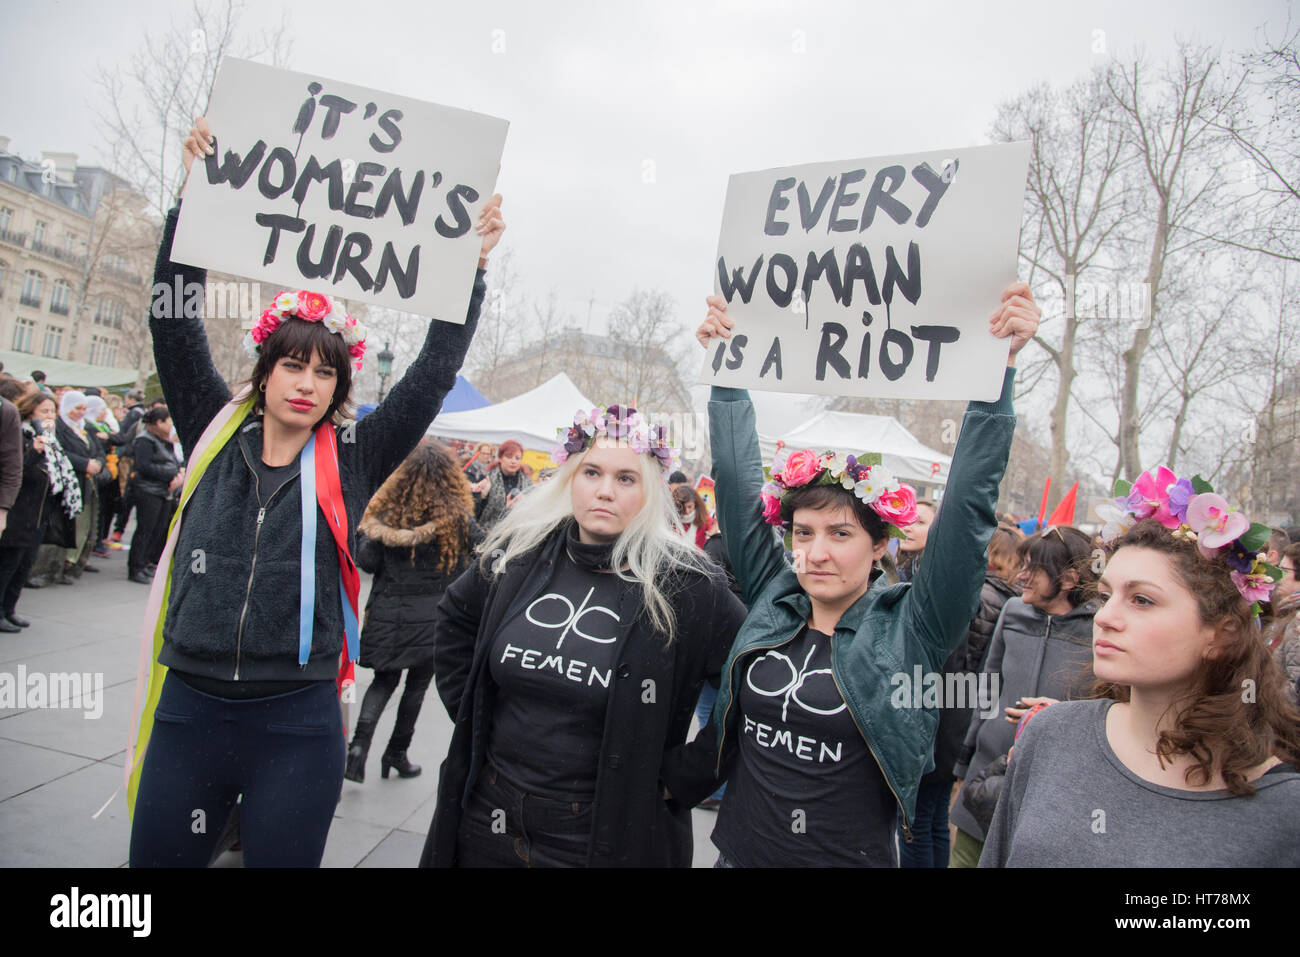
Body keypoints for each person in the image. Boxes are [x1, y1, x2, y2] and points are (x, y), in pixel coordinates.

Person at [127, 116, 503, 868]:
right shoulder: (210, 427)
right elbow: (174, 324)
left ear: (339, 383)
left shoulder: (357, 454)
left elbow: (431, 373)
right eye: (293, 366)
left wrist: (468, 267)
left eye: (325, 371)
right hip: (190, 710)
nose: (307, 383)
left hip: (297, 721)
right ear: (266, 371)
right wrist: (190, 204)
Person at [695, 281, 1038, 867]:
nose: (816, 552)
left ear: (881, 545)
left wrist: (996, 374)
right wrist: (727, 366)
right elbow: (734, 477)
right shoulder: (774, 597)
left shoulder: (915, 625)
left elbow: (967, 507)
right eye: (803, 533)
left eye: (841, 534)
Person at [420, 404, 748, 867]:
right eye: (591, 472)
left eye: (626, 479)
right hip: (487, 818)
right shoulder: (521, 553)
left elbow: (755, 676)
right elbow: (455, 616)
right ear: (570, 476)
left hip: (601, 834)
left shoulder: (687, 585)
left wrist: (691, 774)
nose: (605, 492)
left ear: (650, 491)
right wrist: (472, 711)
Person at [981, 476, 1300, 866]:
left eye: (1142, 600)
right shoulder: (1048, 735)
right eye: (1105, 595)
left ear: (1221, 633)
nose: (1106, 617)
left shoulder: (1283, 810)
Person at [949, 525, 1099, 866]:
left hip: (1053, 781)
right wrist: (964, 762)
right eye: (1023, 565)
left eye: (1034, 569)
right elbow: (987, 685)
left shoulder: (1099, 629)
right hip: (987, 772)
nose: (1021, 576)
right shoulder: (1012, 611)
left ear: (1071, 579)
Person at [345, 439, 482, 783]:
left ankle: (358, 749)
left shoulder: (386, 515)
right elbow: (485, 554)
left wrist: (367, 534)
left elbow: (366, 561)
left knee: (383, 681)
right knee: (416, 688)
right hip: (434, 617)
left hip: (388, 613)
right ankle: (396, 753)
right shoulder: (456, 518)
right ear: (449, 476)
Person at [0, 392, 76, 629]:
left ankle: (10, 609)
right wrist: (34, 452)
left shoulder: (50, 439)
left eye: (52, 411)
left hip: (40, 514)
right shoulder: (22, 434)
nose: (49, 416)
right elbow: (16, 472)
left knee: (24, 565)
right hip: (19, 512)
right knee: (7, 566)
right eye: (44, 411)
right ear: (31, 411)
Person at [127, 406, 183, 585]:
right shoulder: (145, 440)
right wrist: (170, 475)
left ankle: (146, 562)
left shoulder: (163, 440)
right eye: (168, 421)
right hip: (148, 490)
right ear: (158, 422)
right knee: (145, 529)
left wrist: (177, 473)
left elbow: (173, 461)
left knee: (157, 529)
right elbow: (143, 466)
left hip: (162, 490)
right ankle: (136, 566)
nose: (171, 425)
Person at [53, 390, 106, 579]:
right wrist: (85, 464)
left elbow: (99, 451)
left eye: (84, 408)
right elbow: (60, 451)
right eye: (77, 408)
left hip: (86, 484)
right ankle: (61, 563)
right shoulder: (59, 427)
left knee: (84, 525)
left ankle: (73, 561)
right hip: (69, 483)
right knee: (69, 524)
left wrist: (98, 463)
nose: (80, 412)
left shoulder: (84, 428)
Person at [470, 438, 532, 531]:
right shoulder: (487, 478)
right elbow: (473, 513)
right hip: (488, 533)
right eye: (509, 457)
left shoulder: (527, 483)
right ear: (500, 458)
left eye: (517, 458)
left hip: (516, 534)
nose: (513, 461)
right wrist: (481, 496)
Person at [1267, 542, 1300, 697]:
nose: (1278, 577)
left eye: (1284, 571)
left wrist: (1266, 704)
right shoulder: (1286, 612)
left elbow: (1295, 691)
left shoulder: (1297, 622)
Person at [894, 500, 936, 583]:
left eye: (920, 522)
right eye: (905, 519)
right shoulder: (902, 566)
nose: (907, 528)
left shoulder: (933, 574)